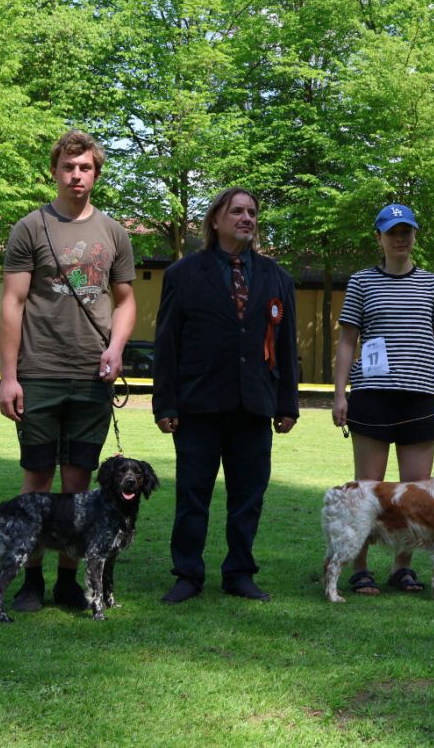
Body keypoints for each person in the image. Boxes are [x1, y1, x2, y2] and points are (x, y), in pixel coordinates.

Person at [0, 130, 137, 613]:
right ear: (54, 171)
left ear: (96, 174)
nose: (76, 175)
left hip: (92, 377)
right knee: (36, 481)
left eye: (85, 168)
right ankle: (31, 582)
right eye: (68, 167)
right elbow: (12, 303)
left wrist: (116, 348)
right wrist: (9, 376)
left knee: (79, 486)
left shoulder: (114, 233)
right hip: (39, 373)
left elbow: (126, 301)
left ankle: (67, 582)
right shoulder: (30, 228)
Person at [153, 187, 300, 604]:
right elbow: (167, 343)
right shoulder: (182, 274)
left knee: (248, 498)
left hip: (254, 404)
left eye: (252, 212)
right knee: (192, 496)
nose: (247, 218)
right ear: (215, 220)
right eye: (237, 211)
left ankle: (239, 573)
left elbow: (286, 344)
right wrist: (165, 403)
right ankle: (187, 574)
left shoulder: (276, 278)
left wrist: (287, 403)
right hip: (197, 404)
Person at [331, 203, 434, 596]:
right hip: (371, 397)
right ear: (379, 238)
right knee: (367, 490)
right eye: (392, 232)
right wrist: (340, 394)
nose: (400, 238)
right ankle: (359, 568)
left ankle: (402, 567)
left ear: (414, 235)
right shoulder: (361, 283)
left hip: (419, 398)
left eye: (406, 231)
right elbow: (347, 341)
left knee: (415, 492)